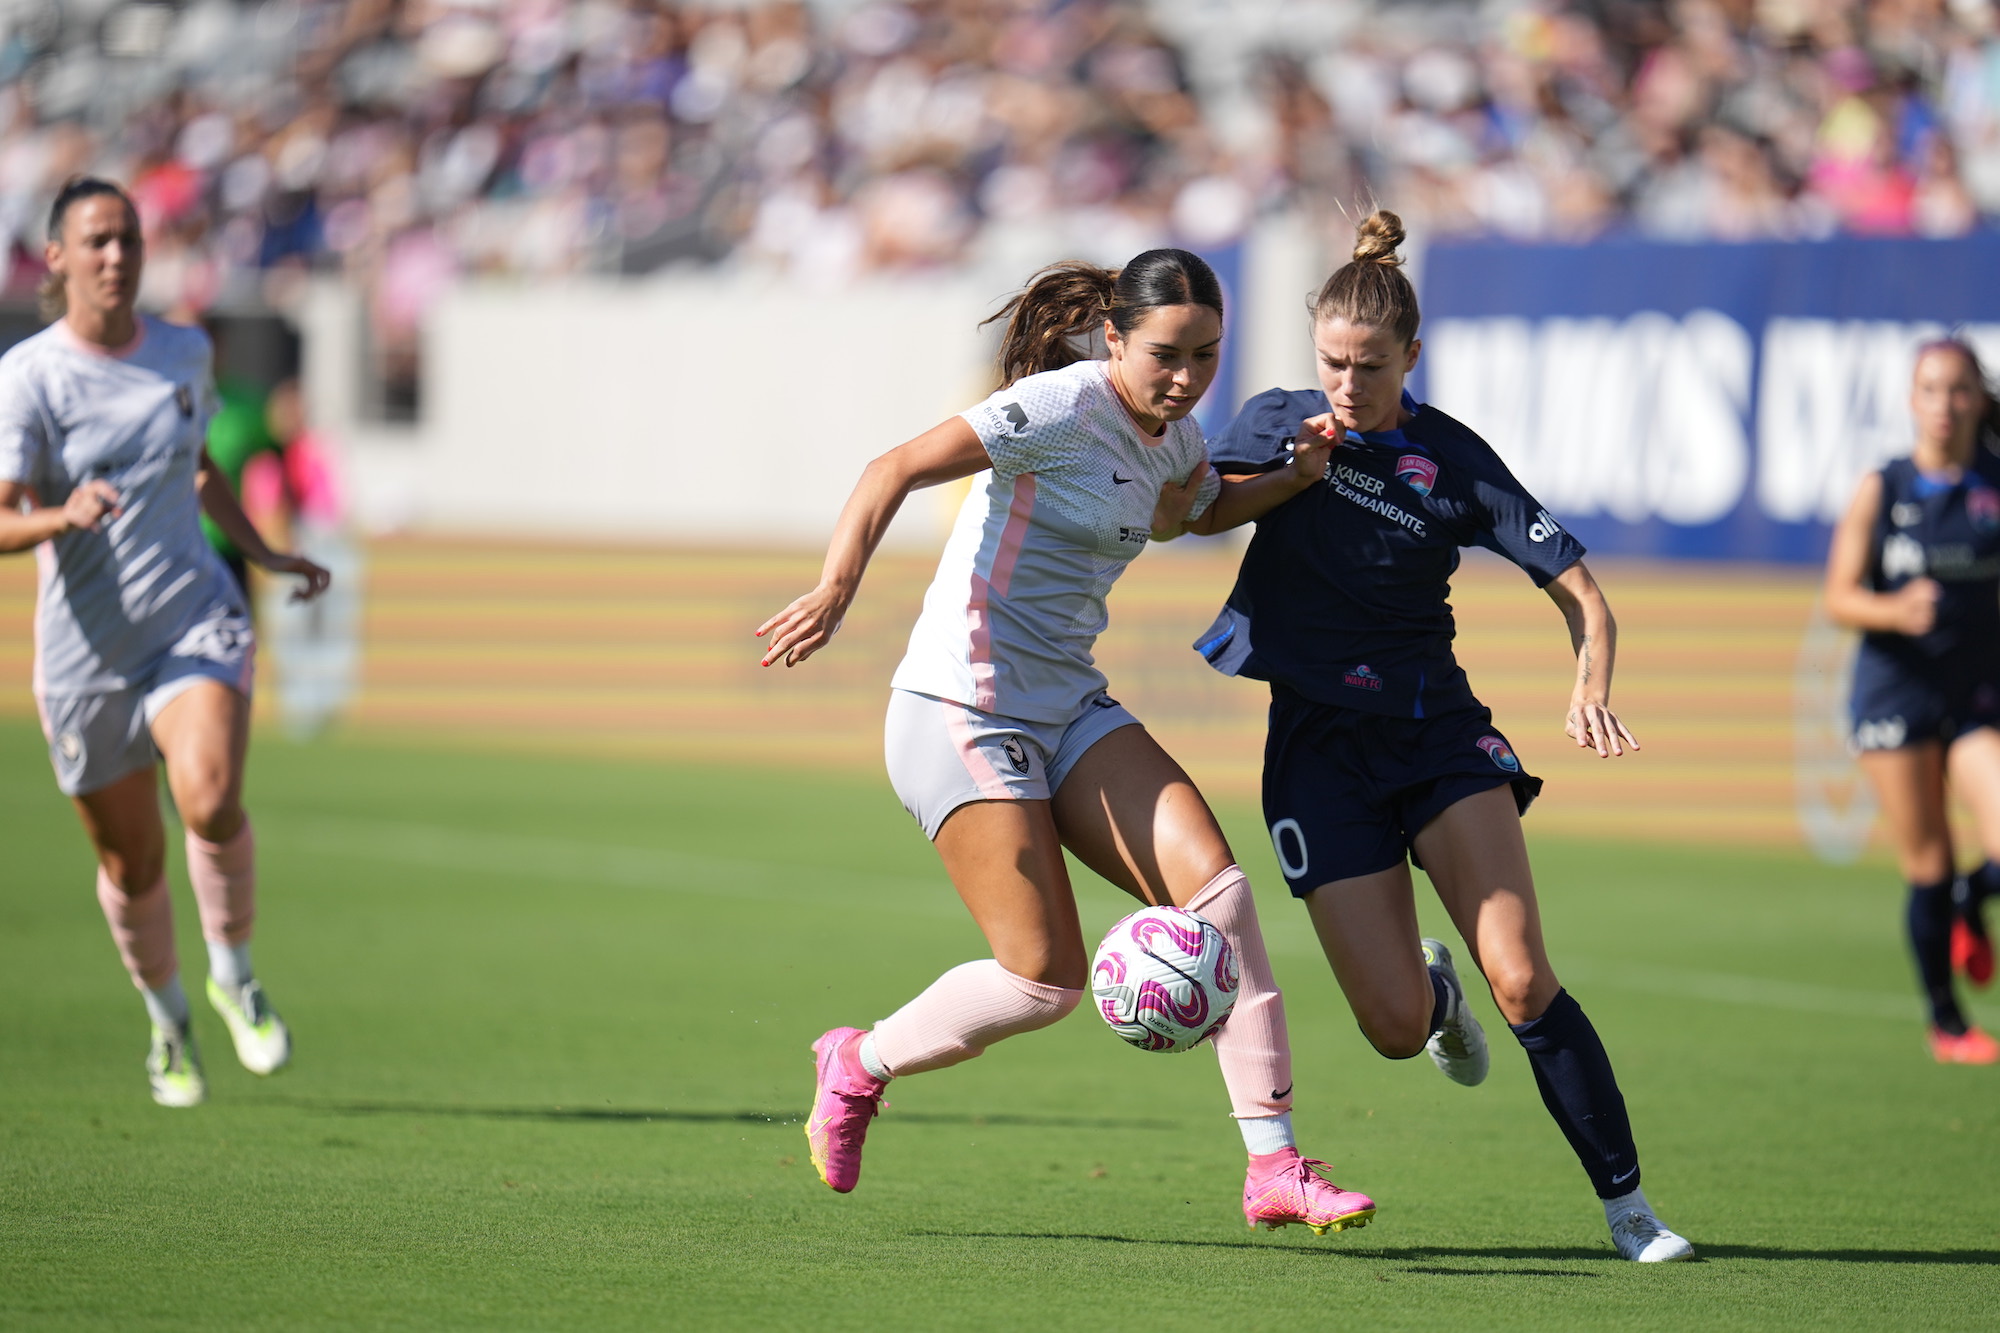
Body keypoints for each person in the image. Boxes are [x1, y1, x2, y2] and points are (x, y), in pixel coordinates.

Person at [756, 250, 1377, 1233]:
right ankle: (856, 1061)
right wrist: (836, 588)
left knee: (1219, 898)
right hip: (960, 705)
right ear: (1115, 339)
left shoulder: (1175, 435)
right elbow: (894, 468)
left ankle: (1274, 1167)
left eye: (1206, 356)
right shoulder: (1057, 406)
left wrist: (1294, 477)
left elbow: (1195, 510)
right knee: (1039, 980)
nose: (1185, 378)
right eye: (1166, 356)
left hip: (1065, 704)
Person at [1192, 211, 1693, 1262]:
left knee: (1520, 974)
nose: (1343, 383)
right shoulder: (1276, 422)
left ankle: (1629, 1209)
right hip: (1316, 752)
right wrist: (1289, 474)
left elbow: (1581, 593)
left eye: (1366, 366)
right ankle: (1432, 993)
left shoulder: (1450, 456)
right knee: (1390, 1029)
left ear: (1409, 358)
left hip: (1434, 735)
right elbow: (1192, 511)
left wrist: (1587, 685)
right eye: (1329, 361)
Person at [0, 177, 331, 1107]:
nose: (117, 256)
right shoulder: (30, 375)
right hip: (85, 656)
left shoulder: (183, 351)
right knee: (130, 863)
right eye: (97, 241)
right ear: (57, 257)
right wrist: (60, 514)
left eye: (129, 240)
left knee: (212, 796)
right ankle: (169, 1020)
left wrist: (261, 551)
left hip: (193, 614)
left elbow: (195, 464)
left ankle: (236, 975)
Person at [1824, 337, 2000, 1065]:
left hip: (1977, 692)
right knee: (1926, 860)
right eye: (1930, 389)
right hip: (1896, 690)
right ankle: (1947, 1021)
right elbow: (1839, 596)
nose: (1945, 405)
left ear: (1979, 398)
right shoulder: (1885, 486)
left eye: (1959, 389)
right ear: (1910, 400)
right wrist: (1894, 611)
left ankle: (1971, 897)